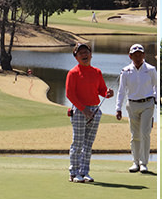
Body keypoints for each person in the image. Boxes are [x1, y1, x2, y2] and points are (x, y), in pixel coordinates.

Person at [66, 43, 113, 183]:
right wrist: (83, 109)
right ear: (76, 57)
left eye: (86, 52)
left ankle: (84, 172)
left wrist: (108, 93)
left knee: (88, 144)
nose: (84, 55)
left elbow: (101, 90)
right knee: (78, 143)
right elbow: (69, 94)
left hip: (94, 110)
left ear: (91, 54)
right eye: (80, 53)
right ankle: (74, 173)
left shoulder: (96, 72)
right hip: (80, 111)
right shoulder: (73, 73)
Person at [114, 44, 156, 173]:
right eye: (135, 55)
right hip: (132, 104)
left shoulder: (150, 69)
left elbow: (156, 86)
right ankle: (135, 162)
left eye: (140, 54)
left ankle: (144, 163)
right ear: (130, 56)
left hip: (147, 104)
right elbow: (121, 91)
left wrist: (154, 98)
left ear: (143, 55)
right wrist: (118, 108)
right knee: (135, 135)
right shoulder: (126, 71)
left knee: (144, 134)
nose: (138, 57)